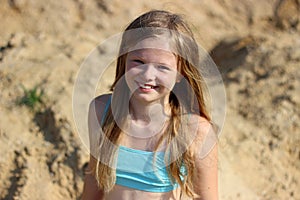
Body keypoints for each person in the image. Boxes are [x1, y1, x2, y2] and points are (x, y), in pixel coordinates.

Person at [82, 10, 218, 200]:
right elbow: (94, 181)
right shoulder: (101, 111)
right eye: (138, 61)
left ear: (181, 73)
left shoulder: (196, 131)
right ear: (124, 60)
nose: (147, 75)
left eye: (162, 67)